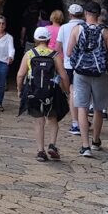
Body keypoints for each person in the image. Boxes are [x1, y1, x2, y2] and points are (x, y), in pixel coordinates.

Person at [66, 1, 108, 157]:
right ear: (98, 15)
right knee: (97, 108)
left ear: (85, 14)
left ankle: (85, 146)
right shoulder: (106, 31)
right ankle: (96, 140)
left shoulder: (77, 29)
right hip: (99, 74)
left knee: (81, 107)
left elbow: (69, 52)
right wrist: (104, 59)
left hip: (80, 74)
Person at [17, 26, 70, 161]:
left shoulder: (29, 54)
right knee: (52, 119)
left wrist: (20, 89)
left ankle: (41, 151)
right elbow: (63, 75)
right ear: (48, 39)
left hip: (33, 92)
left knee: (38, 121)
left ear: (35, 39)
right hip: (51, 92)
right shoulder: (54, 55)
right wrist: (66, 90)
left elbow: (20, 75)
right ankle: (52, 145)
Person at [58, 4, 86, 135]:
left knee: (72, 92)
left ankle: (76, 122)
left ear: (70, 14)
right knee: (85, 92)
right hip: (86, 65)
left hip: (69, 65)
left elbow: (58, 48)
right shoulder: (87, 27)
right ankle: (83, 119)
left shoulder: (64, 27)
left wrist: (59, 62)